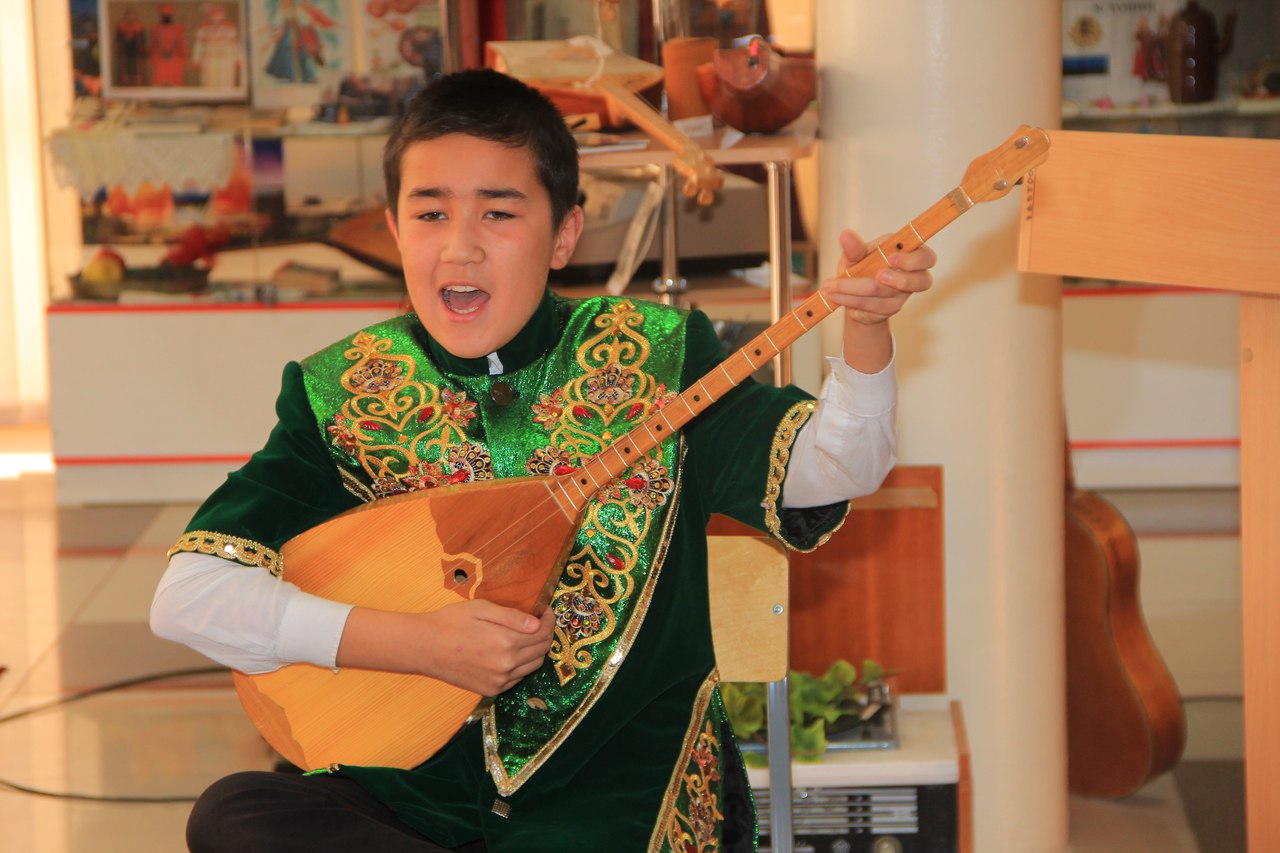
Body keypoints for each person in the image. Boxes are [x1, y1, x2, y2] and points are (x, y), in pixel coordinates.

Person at [151, 68, 936, 852]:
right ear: (394, 230)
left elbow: (836, 466)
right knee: (234, 814)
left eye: (498, 212)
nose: (460, 246)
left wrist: (866, 334)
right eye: (430, 212)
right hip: (415, 793)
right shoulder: (344, 392)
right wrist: (417, 643)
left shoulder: (658, 356)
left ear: (564, 235)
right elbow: (189, 596)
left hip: (621, 792)